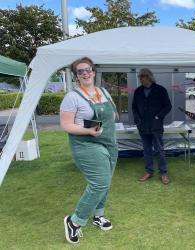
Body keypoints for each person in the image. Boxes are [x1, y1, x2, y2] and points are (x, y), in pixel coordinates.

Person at [60, 57, 118, 244]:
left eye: (88, 70)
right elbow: (66, 125)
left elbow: (113, 113)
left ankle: (98, 215)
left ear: (93, 72)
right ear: (76, 76)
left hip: (109, 142)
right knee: (100, 182)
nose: (85, 73)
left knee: (106, 182)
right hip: (85, 144)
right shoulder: (72, 97)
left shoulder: (103, 92)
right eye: (80, 71)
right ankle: (74, 221)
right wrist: (87, 130)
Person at [132, 68, 172, 184]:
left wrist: (159, 116)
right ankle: (149, 171)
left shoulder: (160, 90)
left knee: (159, 150)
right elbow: (134, 107)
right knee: (146, 150)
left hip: (156, 126)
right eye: (139, 77)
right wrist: (137, 119)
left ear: (148, 77)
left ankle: (163, 173)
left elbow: (167, 106)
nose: (140, 79)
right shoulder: (138, 91)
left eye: (141, 77)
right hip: (143, 126)